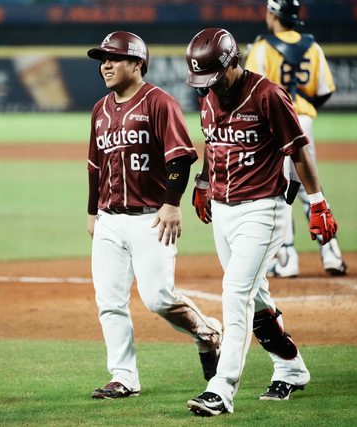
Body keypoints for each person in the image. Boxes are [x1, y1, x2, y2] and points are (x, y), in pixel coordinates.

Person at [184, 28, 339, 416]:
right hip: (223, 210)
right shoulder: (209, 97)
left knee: (235, 292)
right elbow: (213, 142)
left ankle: (221, 389)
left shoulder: (268, 95)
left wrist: (318, 202)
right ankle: (291, 367)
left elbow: (299, 151)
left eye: (213, 77)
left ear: (232, 63)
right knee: (255, 297)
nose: (208, 86)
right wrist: (203, 183)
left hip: (263, 210)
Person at [86, 31, 222, 399]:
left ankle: (207, 332)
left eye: (114, 58)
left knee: (159, 297)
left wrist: (172, 203)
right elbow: (95, 166)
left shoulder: (160, 103)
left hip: (152, 218)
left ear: (137, 63)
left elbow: (180, 157)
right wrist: (92, 211)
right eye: (103, 60)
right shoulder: (100, 110)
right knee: (109, 302)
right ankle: (123, 377)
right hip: (109, 218)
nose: (106, 66)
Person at [244, 0, 346, 277]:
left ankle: (287, 259)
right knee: (309, 187)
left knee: (279, 189)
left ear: (274, 14)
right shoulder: (313, 47)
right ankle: (332, 254)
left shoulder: (261, 48)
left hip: (273, 125)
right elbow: (325, 90)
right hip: (304, 121)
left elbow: (251, 91)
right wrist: (302, 111)